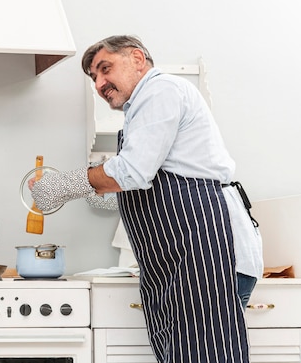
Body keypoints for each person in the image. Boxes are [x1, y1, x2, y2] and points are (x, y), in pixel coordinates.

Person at [31, 35, 262, 362]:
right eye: (94, 77)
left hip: (209, 257)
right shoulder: (143, 110)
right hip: (181, 266)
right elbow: (150, 183)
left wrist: (66, 185)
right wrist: (99, 191)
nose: (99, 83)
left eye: (104, 68)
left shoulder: (160, 90)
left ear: (137, 58)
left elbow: (132, 172)